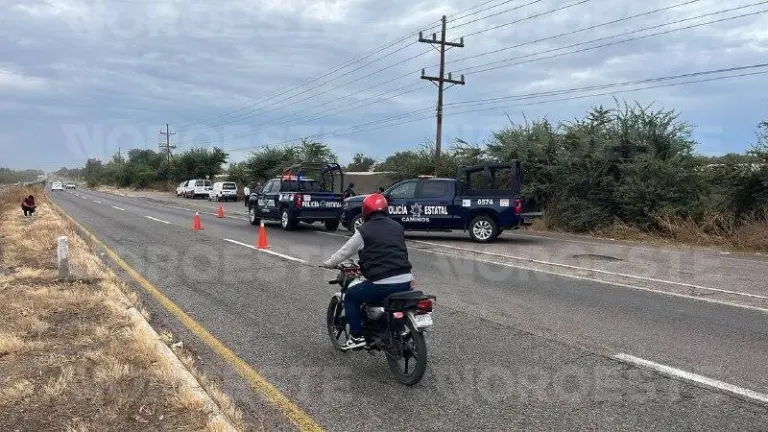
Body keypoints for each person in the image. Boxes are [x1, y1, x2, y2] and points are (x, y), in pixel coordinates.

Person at [322, 193, 413, 348]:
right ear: (385, 209)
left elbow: (345, 252)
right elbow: (400, 253)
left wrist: (330, 263)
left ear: (365, 211)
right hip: (406, 280)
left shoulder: (364, 230)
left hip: (382, 282)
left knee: (351, 296)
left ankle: (356, 336)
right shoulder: (397, 227)